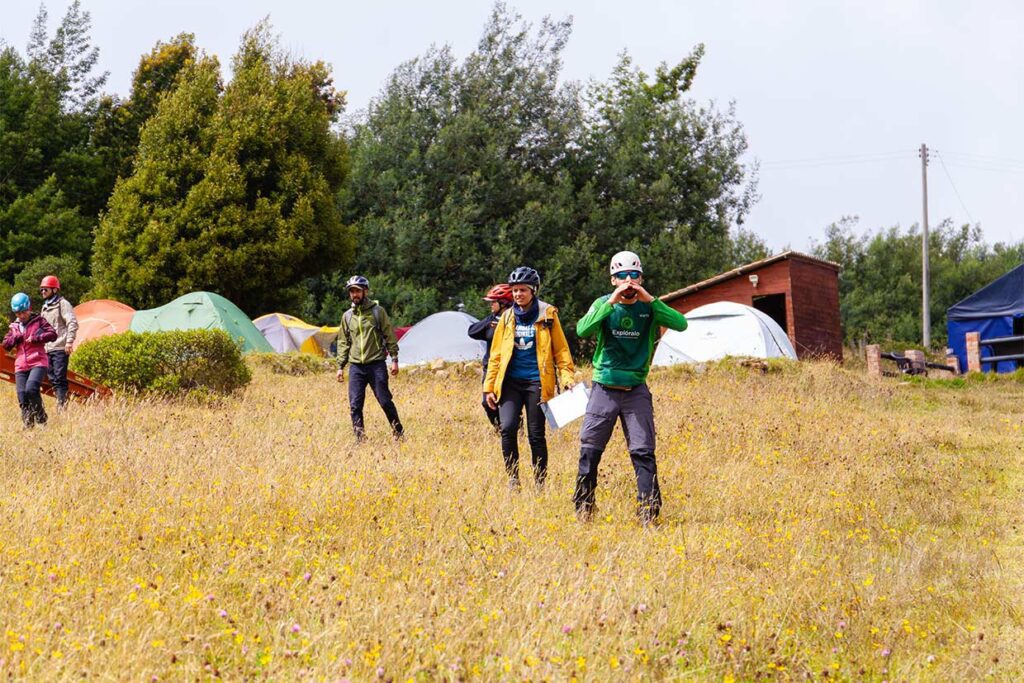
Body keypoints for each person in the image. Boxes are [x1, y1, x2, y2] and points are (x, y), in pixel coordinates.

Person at [573, 251, 688, 524]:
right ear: (613, 280)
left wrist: (651, 300)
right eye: (622, 276)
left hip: (636, 389)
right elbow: (582, 330)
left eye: (633, 275)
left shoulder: (649, 307)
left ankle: (648, 512)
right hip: (604, 387)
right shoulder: (604, 303)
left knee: (643, 451)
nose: (628, 281)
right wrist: (610, 303)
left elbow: (681, 324)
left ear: (641, 278)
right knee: (590, 449)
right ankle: (584, 508)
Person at [484, 267, 575, 489]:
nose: (518, 295)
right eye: (514, 291)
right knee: (507, 428)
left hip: (537, 382)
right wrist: (489, 387)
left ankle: (540, 482)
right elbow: (495, 356)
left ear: (533, 290)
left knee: (536, 434)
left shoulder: (548, 315)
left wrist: (567, 378)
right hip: (510, 383)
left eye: (522, 290)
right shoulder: (506, 318)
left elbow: (561, 351)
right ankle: (513, 479)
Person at [335, 275, 404, 441]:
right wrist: (340, 366)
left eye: (357, 291)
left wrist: (394, 359)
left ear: (365, 291)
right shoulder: (347, 316)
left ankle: (399, 433)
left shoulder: (377, 312)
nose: (354, 294)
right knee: (355, 405)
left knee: (385, 401)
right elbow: (343, 342)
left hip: (376, 364)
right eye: (352, 291)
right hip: (356, 367)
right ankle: (360, 439)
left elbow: (389, 336)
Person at [3, 293, 57, 428]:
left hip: (38, 361)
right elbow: (6, 345)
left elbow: (52, 334)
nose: (21, 316)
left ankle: (41, 420)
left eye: (24, 312)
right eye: (18, 313)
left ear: (29, 308)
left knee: (31, 389)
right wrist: (15, 338)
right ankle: (28, 426)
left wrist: (36, 338)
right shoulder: (14, 327)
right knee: (22, 395)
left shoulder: (39, 321)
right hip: (21, 364)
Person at [467, 284, 514, 431]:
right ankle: (499, 429)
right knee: (487, 403)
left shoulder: (516, 320)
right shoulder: (491, 320)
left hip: (511, 368)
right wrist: (491, 321)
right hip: (491, 368)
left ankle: (513, 429)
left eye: (492, 302)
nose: (490, 305)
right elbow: (472, 331)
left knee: (510, 402)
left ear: (504, 303)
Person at [39, 275, 78, 408]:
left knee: (59, 378)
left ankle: (62, 407)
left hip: (60, 347)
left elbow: (72, 322)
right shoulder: (44, 307)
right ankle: (61, 402)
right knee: (52, 379)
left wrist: (69, 342)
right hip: (47, 349)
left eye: (45, 289)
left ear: (54, 290)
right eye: (41, 290)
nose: (43, 292)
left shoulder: (63, 303)